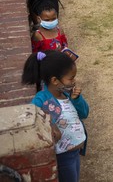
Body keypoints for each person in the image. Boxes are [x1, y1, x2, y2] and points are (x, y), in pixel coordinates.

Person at [22, 50, 89, 182]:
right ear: (55, 80)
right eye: (71, 78)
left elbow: (84, 113)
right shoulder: (41, 99)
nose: (74, 81)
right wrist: (51, 125)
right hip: (63, 157)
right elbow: (30, 120)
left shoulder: (68, 95)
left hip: (75, 152)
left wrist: (77, 100)